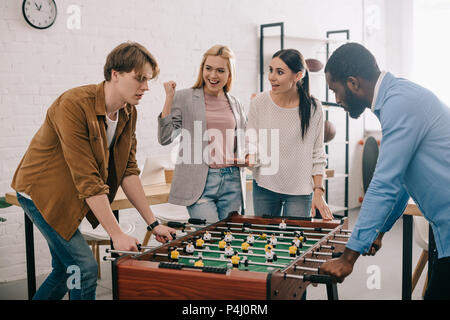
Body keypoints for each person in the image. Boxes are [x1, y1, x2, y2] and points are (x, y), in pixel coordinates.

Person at [11, 42, 175, 300]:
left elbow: (128, 171)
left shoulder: (127, 112)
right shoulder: (73, 104)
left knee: (67, 271)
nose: (145, 87)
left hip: (73, 193)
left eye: (148, 80)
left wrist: (152, 223)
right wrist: (116, 234)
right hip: (42, 194)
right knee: (85, 269)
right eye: (140, 78)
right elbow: (87, 178)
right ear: (115, 74)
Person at [320, 42, 450, 300]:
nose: (337, 99)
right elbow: (401, 182)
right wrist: (379, 231)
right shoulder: (397, 97)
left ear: (353, 83)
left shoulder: (400, 102)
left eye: (336, 90)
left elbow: (385, 183)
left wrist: (349, 257)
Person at [158, 45, 247, 222]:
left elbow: (242, 143)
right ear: (202, 69)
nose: (213, 75)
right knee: (210, 239)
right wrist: (169, 98)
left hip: (232, 181)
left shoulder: (235, 103)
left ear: (229, 74)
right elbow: (165, 137)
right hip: (200, 183)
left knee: (231, 237)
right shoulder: (184, 98)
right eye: (209, 68)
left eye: (220, 70)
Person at [246, 49, 333, 220]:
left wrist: (318, 191)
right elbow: (251, 141)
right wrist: (250, 155)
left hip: (300, 191)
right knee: (265, 241)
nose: (272, 77)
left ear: (298, 76)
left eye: (280, 72)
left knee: (294, 242)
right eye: (270, 70)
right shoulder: (259, 102)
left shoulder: (314, 107)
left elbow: (317, 153)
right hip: (265, 186)